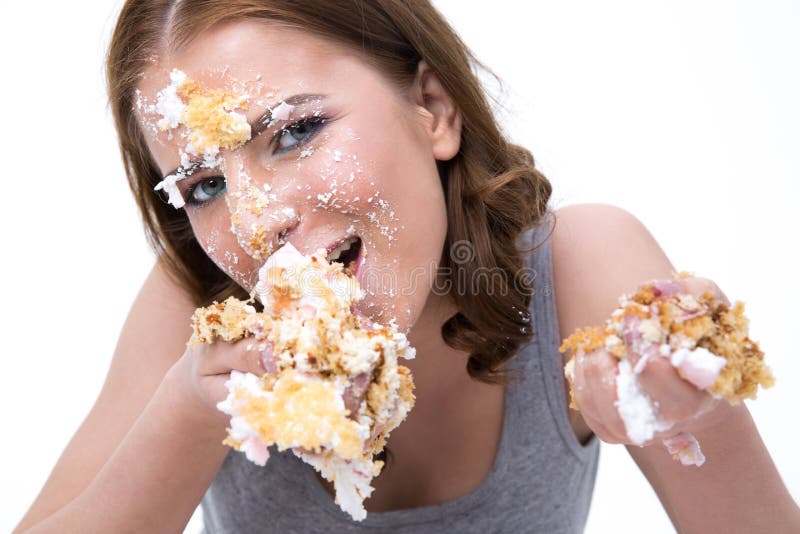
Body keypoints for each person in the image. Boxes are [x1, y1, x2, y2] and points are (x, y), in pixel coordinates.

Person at [15, 1, 799, 532]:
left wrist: (700, 414)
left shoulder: (579, 269)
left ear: (434, 108)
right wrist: (188, 413)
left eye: (295, 132)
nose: (258, 223)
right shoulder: (197, 308)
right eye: (206, 184)